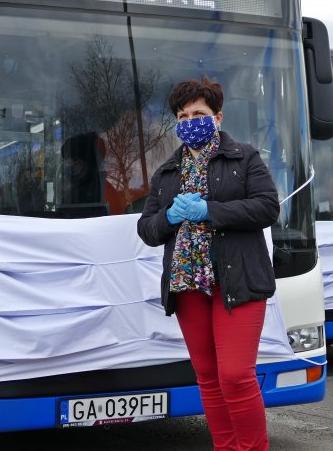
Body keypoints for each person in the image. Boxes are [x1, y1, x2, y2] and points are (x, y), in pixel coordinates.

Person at [137, 76, 280, 451]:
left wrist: (209, 210)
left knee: (235, 375)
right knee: (209, 378)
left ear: (217, 117)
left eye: (198, 113)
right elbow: (147, 229)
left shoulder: (244, 157)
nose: (189, 120)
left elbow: (268, 207)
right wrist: (168, 217)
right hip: (188, 285)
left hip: (238, 280)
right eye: (182, 115)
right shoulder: (167, 172)